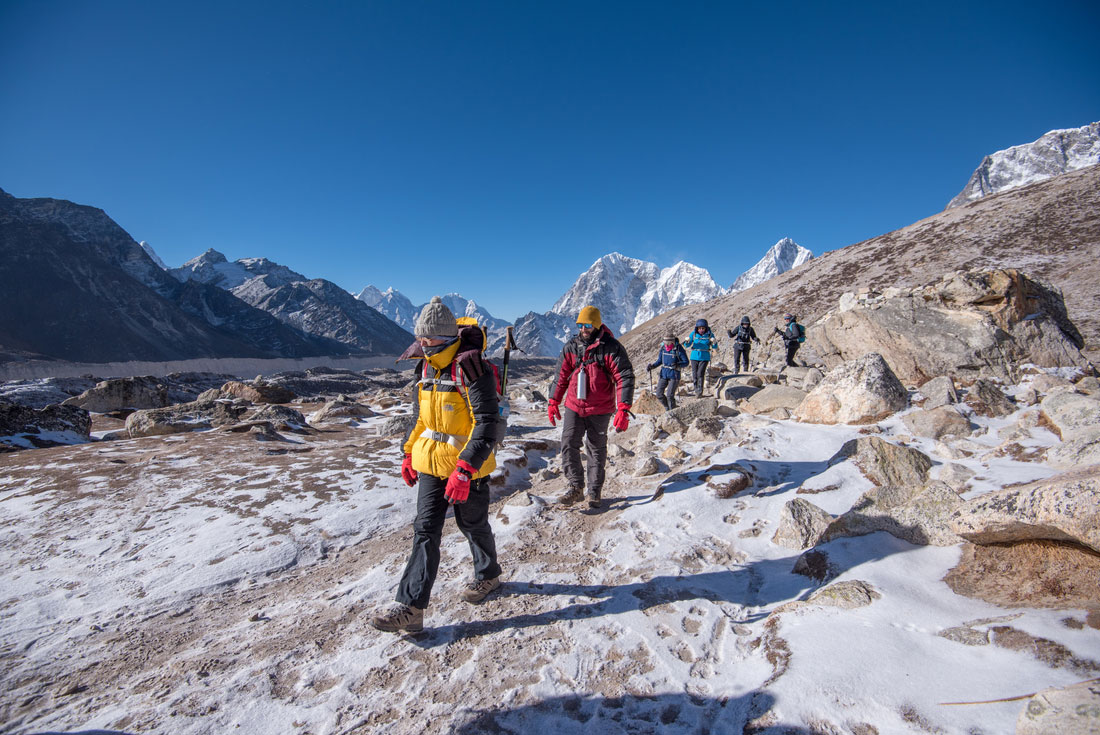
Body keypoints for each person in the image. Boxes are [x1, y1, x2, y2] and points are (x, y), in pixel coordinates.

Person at [371, 297, 502, 633]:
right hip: (430, 461)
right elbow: (421, 419)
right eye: (420, 338)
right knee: (425, 531)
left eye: (428, 340)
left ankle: (488, 576)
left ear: (445, 337)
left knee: (472, 525)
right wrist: (409, 452)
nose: (422, 345)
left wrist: (464, 468)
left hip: (465, 466)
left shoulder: (472, 368)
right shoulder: (425, 368)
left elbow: (486, 422)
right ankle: (411, 609)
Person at [548, 305, 635, 509]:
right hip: (574, 406)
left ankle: (594, 491)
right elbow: (560, 376)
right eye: (580, 324)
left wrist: (623, 407)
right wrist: (553, 401)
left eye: (587, 324)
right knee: (568, 443)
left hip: (600, 409)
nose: (583, 329)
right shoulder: (571, 347)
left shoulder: (611, 348)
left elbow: (624, 376)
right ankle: (575, 487)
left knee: (596, 449)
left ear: (596, 324)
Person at [647, 332, 689, 410]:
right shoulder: (663, 349)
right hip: (664, 374)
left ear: (672, 342)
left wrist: (677, 364)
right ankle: (667, 408)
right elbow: (660, 360)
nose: (666, 345)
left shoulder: (679, 349)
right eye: (665, 342)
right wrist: (652, 366)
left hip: (674, 374)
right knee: (659, 394)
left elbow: (686, 362)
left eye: (668, 343)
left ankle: (672, 411)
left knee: (670, 395)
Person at [682, 318, 718, 397]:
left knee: (700, 373)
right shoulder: (694, 334)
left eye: (703, 328)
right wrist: (686, 341)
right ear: (697, 328)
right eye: (699, 328)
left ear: (706, 328)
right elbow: (687, 345)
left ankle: (700, 391)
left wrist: (714, 342)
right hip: (694, 356)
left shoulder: (709, 335)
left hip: (704, 357)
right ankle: (696, 390)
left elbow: (715, 346)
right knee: (695, 374)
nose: (701, 330)